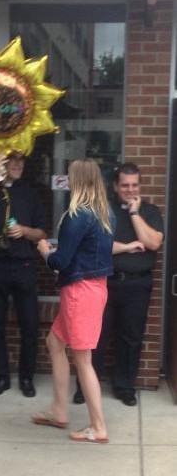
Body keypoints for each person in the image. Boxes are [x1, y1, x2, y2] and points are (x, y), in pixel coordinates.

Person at [33, 158, 114, 444]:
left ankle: (98, 426)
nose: (67, 182)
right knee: (54, 343)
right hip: (93, 289)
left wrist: (45, 250)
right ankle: (59, 410)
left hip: (80, 293)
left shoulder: (76, 215)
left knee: (83, 359)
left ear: (77, 180)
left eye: (69, 177)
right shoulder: (104, 213)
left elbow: (61, 261)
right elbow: (83, 251)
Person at [73, 162, 164, 407]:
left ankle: (125, 387)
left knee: (131, 338)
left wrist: (135, 214)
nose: (130, 190)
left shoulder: (150, 211)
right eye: (125, 185)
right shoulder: (103, 210)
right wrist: (127, 246)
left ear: (140, 185)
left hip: (138, 286)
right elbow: (96, 246)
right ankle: (85, 387)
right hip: (104, 283)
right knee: (96, 338)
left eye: (135, 185)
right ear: (115, 186)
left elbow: (154, 243)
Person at [0, 152, 46, 397]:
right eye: (11, 160)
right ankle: (1, 377)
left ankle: (26, 378)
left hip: (23, 266)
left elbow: (41, 234)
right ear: (2, 163)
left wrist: (24, 230)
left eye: (20, 160)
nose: (17, 165)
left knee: (30, 326)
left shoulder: (31, 193)